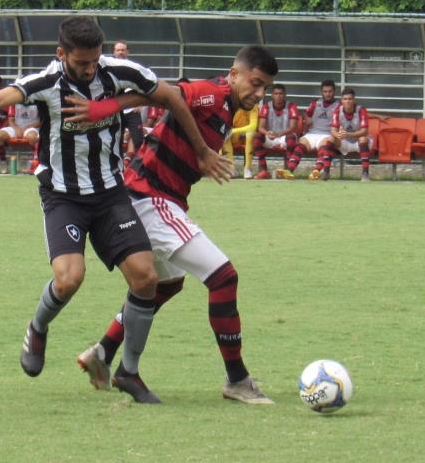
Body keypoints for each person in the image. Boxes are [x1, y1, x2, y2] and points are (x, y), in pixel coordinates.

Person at [0, 16, 231, 403]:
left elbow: (169, 95)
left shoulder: (117, 71)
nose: (89, 69)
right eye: (80, 62)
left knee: (146, 278)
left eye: (93, 61)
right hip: (63, 196)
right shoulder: (47, 83)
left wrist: (202, 149)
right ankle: (37, 327)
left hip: (110, 195)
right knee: (69, 279)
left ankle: (129, 373)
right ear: (61, 54)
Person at [71, 45, 279, 404]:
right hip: (149, 197)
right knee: (223, 277)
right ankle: (237, 379)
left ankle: (103, 353)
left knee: (166, 285)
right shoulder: (211, 94)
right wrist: (102, 108)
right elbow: (165, 94)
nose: (258, 94)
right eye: (255, 83)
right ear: (234, 74)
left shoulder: (229, 107)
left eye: (265, 88)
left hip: (151, 197)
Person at [309, 87, 372, 181]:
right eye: (345, 99)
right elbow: (333, 129)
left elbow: (364, 131)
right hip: (344, 140)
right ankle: (326, 172)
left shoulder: (361, 110)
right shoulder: (338, 110)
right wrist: (337, 135)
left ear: (354, 100)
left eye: (350, 99)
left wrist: (348, 134)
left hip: (358, 141)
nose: (348, 101)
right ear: (342, 100)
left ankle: (365, 174)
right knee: (330, 139)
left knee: (363, 139)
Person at [252, 83, 300, 180]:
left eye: (281, 94)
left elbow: (293, 127)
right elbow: (260, 127)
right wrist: (267, 133)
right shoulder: (266, 107)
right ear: (272, 95)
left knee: (291, 138)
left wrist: (279, 134)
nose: (278, 96)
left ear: (285, 95)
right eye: (276, 94)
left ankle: (288, 170)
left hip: (284, 136)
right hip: (270, 136)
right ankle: (263, 170)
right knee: (257, 138)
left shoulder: (291, 106)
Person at [113, 41, 146, 163]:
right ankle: (119, 168)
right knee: (116, 140)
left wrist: (140, 102)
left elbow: (143, 86)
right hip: (117, 110)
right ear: (114, 52)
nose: (120, 52)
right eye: (118, 50)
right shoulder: (108, 68)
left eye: (123, 50)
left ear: (127, 51)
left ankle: (140, 168)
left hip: (132, 110)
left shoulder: (134, 67)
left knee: (138, 140)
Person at [300, 80, 339, 180]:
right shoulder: (315, 104)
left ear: (334, 91)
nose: (328, 94)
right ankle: (289, 172)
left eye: (330, 91)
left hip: (327, 134)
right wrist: (306, 118)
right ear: (321, 92)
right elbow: (305, 113)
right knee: (299, 146)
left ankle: (316, 171)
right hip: (312, 133)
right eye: (325, 91)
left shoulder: (339, 105)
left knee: (326, 146)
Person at [0, 102, 41, 174]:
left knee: (33, 137)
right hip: (15, 127)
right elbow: (11, 120)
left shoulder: (39, 102)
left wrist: (26, 128)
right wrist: (16, 129)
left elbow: (41, 121)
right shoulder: (14, 102)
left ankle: (35, 163)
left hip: (31, 127)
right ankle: (3, 162)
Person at [223, 101, 260, 179]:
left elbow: (253, 126)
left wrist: (234, 131)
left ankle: (248, 168)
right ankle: (230, 168)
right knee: (225, 135)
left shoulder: (252, 104)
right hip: (235, 137)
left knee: (250, 134)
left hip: (248, 136)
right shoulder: (229, 105)